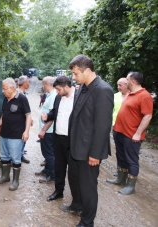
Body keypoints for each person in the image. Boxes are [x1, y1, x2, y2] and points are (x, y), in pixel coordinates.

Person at [66, 54, 113, 227]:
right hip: (76, 147)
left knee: (88, 188)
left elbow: (102, 126)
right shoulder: (82, 87)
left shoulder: (103, 90)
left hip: (88, 151)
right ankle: (76, 204)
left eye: (75, 73)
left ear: (87, 70)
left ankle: (87, 221)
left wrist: (95, 153)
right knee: (74, 180)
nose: (73, 77)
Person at [107, 72, 153, 195]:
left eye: (127, 80)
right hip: (119, 131)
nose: (125, 82)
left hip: (131, 134)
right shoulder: (130, 94)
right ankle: (120, 179)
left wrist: (138, 133)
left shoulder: (144, 96)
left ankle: (131, 186)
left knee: (131, 159)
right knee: (121, 156)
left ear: (132, 81)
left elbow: (147, 116)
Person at [41, 76, 81, 208]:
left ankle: (76, 201)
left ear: (65, 86)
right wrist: (48, 116)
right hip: (58, 138)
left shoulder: (79, 97)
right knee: (59, 168)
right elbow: (55, 112)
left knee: (74, 173)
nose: (57, 92)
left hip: (73, 141)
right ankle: (59, 191)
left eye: (58, 89)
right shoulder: (59, 97)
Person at [0, 78, 31, 191]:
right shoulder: (6, 99)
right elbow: (4, 115)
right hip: (4, 133)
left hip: (16, 134)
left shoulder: (22, 99)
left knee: (15, 158)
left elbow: (28, 116)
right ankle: (5, 176)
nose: (2, 91)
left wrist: (26, 131)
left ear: (11, 88)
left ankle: (16, 181)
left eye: (4, 89)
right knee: (4, 156)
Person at [36, 76, 57, 183]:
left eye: (43, 84)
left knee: (49, 154)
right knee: (46, 153)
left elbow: (51, 117)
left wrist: (43, 130)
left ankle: (52, 175)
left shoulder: (53, 96)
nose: (42, 86)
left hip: (49, 130)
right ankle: (47, 170)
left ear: (47, 85)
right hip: (47, 130)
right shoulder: (49, 95)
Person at [112, 77, 130, 176]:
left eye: (120, 85)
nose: (118, 87)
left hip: (128, 128)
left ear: (127, 85)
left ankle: (131, 171)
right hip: (116, 126)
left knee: (128, 151)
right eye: (117, 85)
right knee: (119, 151)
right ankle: (120, 170)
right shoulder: (115, 96)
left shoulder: (132, 95)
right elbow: (111, 110)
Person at [17, 75, 31, 164]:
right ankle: (16, 157)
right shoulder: (18, 94)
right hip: (19, 122)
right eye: (28, 82)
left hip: (24, 120)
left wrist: (30, 118)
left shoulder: (23, 93)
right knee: (19, 139)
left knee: (23, 139)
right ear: (25, 83)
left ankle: (21, 155)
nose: (29, 84)